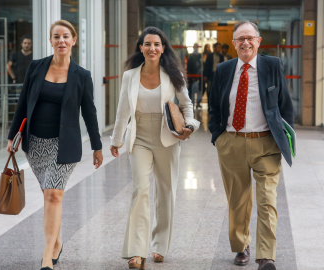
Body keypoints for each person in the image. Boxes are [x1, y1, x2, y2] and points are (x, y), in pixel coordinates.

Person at [6, 20, 103, 270]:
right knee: (49, 196)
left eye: (66, 36)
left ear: (73, 41)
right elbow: (23, 102)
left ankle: (47, 255)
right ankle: (57, 241)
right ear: (50, 41)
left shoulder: (82, 76)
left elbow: (89, 112)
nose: (61, 40)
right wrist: (12, 136)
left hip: (64, 146)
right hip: (36, 144)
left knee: (54, 194)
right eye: (56, 36)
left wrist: (97, 145)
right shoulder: (36, 67)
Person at [110, 26, 200, 270]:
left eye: (157, 44)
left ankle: (159, 245)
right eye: (147, 44)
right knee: (140, 189)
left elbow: (187, 104)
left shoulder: (172, 74)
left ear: (163, 48)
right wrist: (116, 140)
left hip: (167, 136)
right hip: (139, 135)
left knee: (166, 190)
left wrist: (189, 125)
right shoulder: (130, 75)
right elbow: (122, 111)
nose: (152, 48)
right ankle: (137, 252)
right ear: (140, 47)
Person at [208, 21, 294, 270]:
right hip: (232, 143)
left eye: (249, 38)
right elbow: (214, 104)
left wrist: (283, 136)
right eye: (240, 39)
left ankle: (266, 256)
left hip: (265, 143)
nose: (245, 42)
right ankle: (241, 245)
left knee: (267, 200)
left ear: (258, 41)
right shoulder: (224, 69)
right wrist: (218, 136)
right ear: (234, 44)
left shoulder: (272, 65)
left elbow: (285, 104)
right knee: (238, 200)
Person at [187, 43, 202, 108]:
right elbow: (189, 66)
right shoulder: (191, 56)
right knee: (192, 92)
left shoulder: (200, 55)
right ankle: (192, 104)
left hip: (199, 76)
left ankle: (198, 103)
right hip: (193, 77)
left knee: (199, 91)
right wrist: (191, 76)